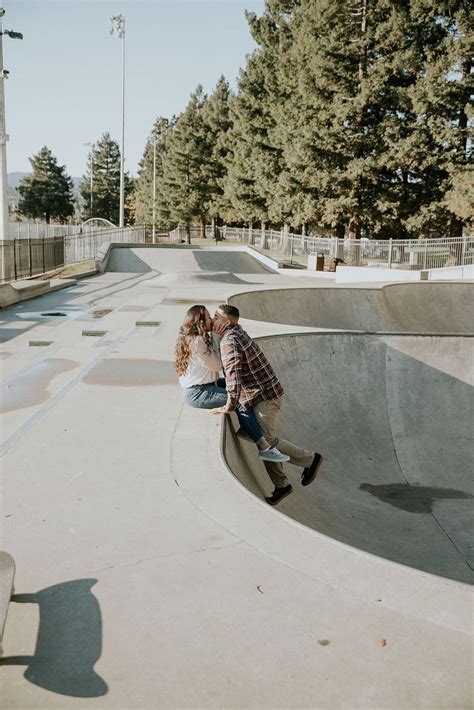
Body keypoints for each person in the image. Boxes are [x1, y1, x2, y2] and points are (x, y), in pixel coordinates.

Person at [211, 304, 323, 506]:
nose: (212, 320)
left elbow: (233, 375)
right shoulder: (237, 330)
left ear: (226, 323)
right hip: (263, 392)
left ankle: (309, 460)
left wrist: (228, 405)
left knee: (267, 443)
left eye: (216, 317)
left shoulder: (229, 341)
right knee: (264, 441)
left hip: (264, 397)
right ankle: (282, 484)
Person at [174, 305, 289, 464]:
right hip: (197, 392)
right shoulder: (197, 341)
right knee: (238, 401)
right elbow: (217, 365)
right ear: (200, 322)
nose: (212, 321)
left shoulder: (198, 336)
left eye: (214, 317)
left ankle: (249, 430)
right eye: (209, 317)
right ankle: (263, 447)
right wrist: (216, 336)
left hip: (204, 385)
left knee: (238, 392)